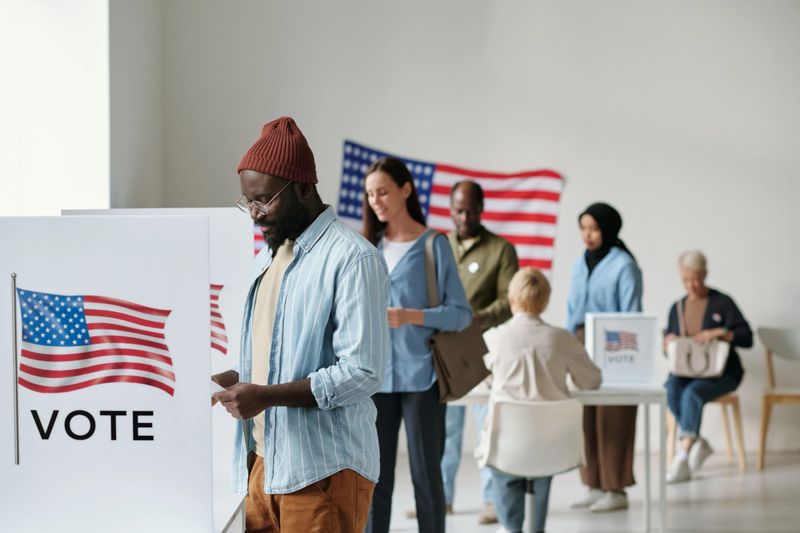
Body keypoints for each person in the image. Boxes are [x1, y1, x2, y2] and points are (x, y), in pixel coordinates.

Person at [211, 116, 390, 532]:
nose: (254, 215)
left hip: (323, 471)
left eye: (264, 200)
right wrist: (242, 379)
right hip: (261, 465)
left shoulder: (353, 259)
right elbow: (283, 356)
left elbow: (363, 372)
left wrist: (266, 395)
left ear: (304, 188)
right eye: (247, 202)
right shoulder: (270, 257)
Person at [362, 157, 473, 533]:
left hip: (421, 377)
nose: (376, 200)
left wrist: (414, 315)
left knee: (427, 477)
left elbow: (461, 314)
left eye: (383, 192)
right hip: (375, 379)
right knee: (374, 478)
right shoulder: (366, 247)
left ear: (406, 190)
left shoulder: (434, 245)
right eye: (370, 194)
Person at [479, 267, 602, 533]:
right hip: (552, 446)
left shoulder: (493, 339)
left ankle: (511, 527)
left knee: (504, 461)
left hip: (507, 448)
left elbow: (479, 382)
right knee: (541, 462)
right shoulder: (562, 339)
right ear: (545, 301)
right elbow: (591, 380)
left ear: (511, 300)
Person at [439, 180, 518, 525]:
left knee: (488, 426)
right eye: (458, 209)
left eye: (471, 209)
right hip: (442, 350)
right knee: (446, 430)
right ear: (450, 208)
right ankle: (441, 498)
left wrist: (480, 315)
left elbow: (511, 300)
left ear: (481, 208)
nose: (465, 216)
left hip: (485, 350)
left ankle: (491, 500)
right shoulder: (439, 245)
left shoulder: (500, 249)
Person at [566, 202, 642, 513]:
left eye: (594, 229)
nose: (588, 235)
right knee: (586, 415)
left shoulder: (624, 265)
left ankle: (617, 488)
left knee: (614, 416)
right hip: (582, 342)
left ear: (608, 229)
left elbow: (632, 313)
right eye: (583, 228)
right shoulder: (579, 263)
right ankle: (594, 484)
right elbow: (572, 308)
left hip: (614, 343)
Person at [664, 250, 753, 483]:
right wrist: (668, 342)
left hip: (722, 373)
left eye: (695, 279)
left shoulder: (722, 302)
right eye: (685, 280)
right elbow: (669, 347)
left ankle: (682, 456)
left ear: (705, 274)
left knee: (692, 393)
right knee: (670, 388)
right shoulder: (678, 307)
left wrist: (722, 333)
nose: (691, 285)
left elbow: (747, 338)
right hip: (686, 371)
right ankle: (697, 441)